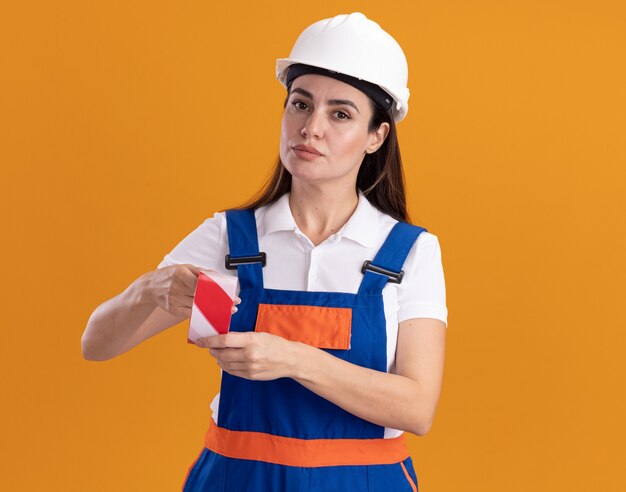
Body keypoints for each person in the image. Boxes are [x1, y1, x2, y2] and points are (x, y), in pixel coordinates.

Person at [82, 12, 447, 492]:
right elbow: (97, 344)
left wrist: (293, 359)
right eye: (300, 104)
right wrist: (150, 289)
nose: (311, 128)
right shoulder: (231, 239)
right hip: (236, 478)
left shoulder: (407, 252)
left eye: (340, 114)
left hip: (364, 481)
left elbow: (416, 408)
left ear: (376, 136)